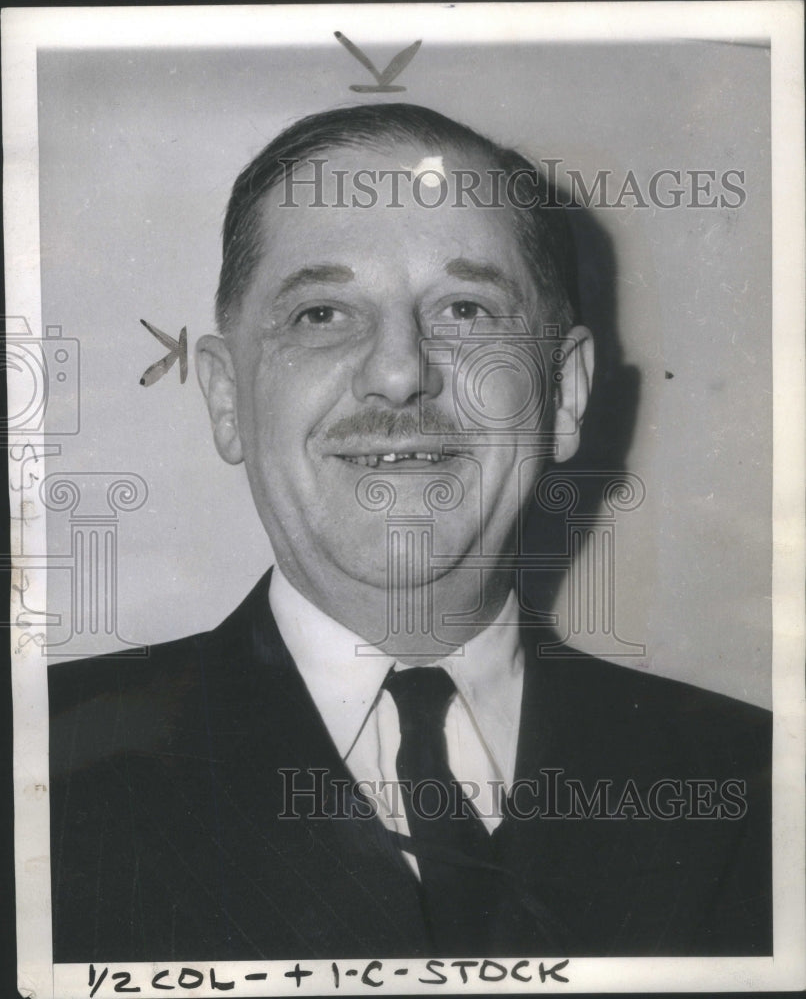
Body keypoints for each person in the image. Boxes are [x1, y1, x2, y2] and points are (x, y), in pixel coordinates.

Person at [49, 104, 771, 962]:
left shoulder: (758, 781)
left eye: (466, 310)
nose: (398, 372)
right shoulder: (46, 767)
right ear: (225, 397)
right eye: (321, 313)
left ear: (565, 394)